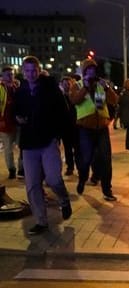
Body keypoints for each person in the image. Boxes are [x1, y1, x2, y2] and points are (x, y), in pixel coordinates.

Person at [14, 56, 72, 235]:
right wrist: (18, 117)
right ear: (23, 72)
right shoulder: (21, 90)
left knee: (54, 179)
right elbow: (15, 111)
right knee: (32, 185)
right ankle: (41, 221)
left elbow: (63, 112)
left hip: (47, 141)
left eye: (34, 70)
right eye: (28, 71)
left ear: (39, 70)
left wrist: (57, 135)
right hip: (29, 144)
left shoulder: (50, 88)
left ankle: (63, 199)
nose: (31, 74)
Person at [68, 58, 119, 201]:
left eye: (93, 69)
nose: (91, 72)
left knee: (106, 159)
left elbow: (114, 100)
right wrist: (85, 87)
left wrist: (107, 88)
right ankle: (83, 179)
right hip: (85, 128)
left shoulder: (100, 85)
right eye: (88, 69)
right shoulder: (77, 85)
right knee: (86, 159)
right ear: (84, 72)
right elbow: (74, 101)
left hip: (102, 127)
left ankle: (107, 189)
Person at [1, 66, 20, 180]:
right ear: (3, 76)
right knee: (8, 149)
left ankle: (22, 168)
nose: (10, 76)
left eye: (12, 74)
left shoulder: (16, 88)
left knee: (23, 146)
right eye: (7, 74)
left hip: (18, 122)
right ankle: (12, 169)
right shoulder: (1, 88)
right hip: (6, 123)